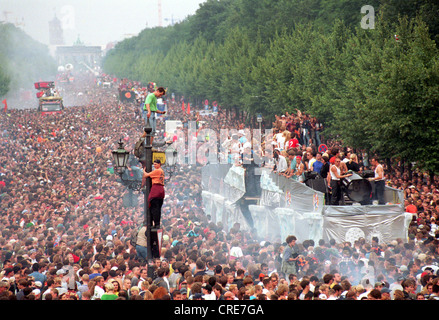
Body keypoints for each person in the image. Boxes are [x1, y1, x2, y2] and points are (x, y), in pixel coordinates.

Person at [142, 159, 165, 229]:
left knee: (153, 207)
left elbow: (146, 175)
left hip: (156, 190)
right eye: (154, 164)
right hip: (161, 190)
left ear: (159, 164)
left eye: (156, 164)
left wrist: (144, 170)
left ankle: (155, 223)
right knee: (158, 208)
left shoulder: (157, 171)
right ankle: (156, 223)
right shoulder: (162, 171)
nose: (154, 166)